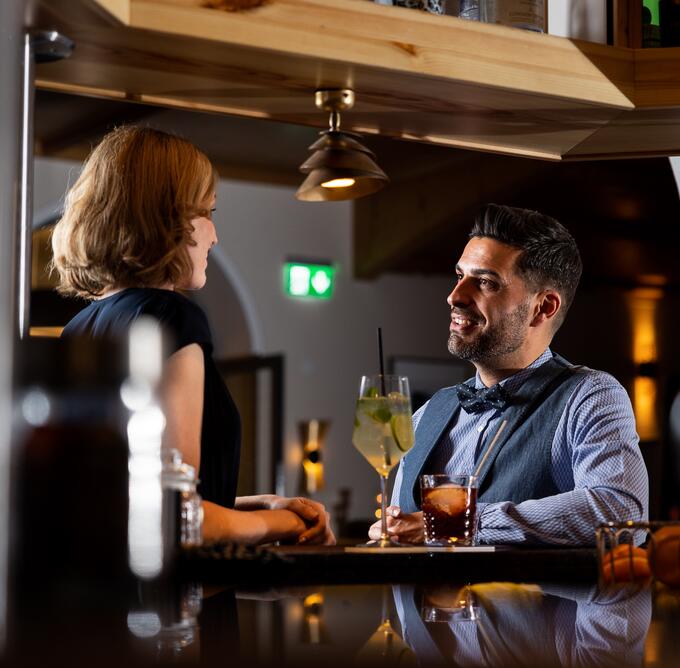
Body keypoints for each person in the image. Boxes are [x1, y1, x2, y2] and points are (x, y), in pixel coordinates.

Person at [52, 125, 334, 546]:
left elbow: (131, 503)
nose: (214, 235)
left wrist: (257, 505)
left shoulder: (80, 329)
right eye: (208, 213)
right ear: (167, 215)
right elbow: (175, 517)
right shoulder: (170, 318)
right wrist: (290, 526)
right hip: (177, 609)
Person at [369, 204, 648, 545]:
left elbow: (621, 516)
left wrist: (462, 523)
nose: (455, 296)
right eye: (460, 276)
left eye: (485, 282)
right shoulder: (426, 414)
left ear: (543, 307)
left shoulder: (591, 396)